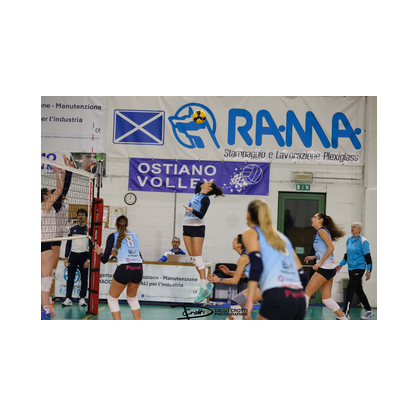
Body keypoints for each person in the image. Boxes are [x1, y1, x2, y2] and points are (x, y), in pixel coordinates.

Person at [243, 200, 307, 320]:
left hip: (277, 295)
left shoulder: (251, 232)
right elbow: (302, 275)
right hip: (299, 298)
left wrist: (250, 301)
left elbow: (256, 266)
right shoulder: (283, 238)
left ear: (248, 215)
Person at [94, 215, 143, 320]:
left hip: (125, 268)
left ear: (115, 224)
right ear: (127, 225)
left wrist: (99, 253)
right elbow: (138, 255)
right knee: (132, 298)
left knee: (112, 299)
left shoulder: (112, 236)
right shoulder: (134, 235)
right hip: (138, 268)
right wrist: (117, 254)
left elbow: (104, 259)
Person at [182, 181, 224, 303]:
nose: (204, 182)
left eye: (208, 182)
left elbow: (201, 215)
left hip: (197, 228)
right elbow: (199, 183)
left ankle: (204, 288)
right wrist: (214, 189)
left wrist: (192, 210)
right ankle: (206, 283)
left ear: (209, 188)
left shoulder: (205, 199)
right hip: (186, 227)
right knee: (193, 259)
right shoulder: (197, 193)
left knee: (197, 258)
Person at [303, 213, 348, 319]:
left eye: (315, 217)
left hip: (325, 268)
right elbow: (324, 250)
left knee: (306, 294)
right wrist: (314, 257)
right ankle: (344, 318)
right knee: (327, 299)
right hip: (329, 268)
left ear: (321, 220)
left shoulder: (322, 231)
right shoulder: (320, 232)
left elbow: (331, 248)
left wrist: (319, 263)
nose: (312, 218)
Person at [208, 234, 261, 320]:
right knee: (235, 309)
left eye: (234, 240)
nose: (232, 242)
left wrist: (218, 280)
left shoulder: (244, 258)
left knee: (235, 301)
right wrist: (229, 272)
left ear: (239, 244)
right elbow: (244, 275)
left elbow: (235, 281)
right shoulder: (246, 255)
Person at [41, 165, 66, 320]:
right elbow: (60, 190)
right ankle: (45, 310)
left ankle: (46, 309)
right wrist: (57, 174)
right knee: (46, 279)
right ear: (46, 197)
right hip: (45, 245)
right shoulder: (46, 206)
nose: (52, 195)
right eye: (49, 194)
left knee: (45, 279)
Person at [336, 222, 375, 320]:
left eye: (355, 227)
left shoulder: (363, 241)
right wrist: (341, 264)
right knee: (358, 290)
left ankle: (345, 314)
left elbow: (368, 257)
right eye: (351, 226)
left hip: (359, 268)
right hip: (351, 268)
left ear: (359, 229)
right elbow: (347, 255)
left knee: (350, 289)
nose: (352, 228)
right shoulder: (349, 240)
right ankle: (369, 310)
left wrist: (369, 270)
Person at [63, 209, 91, 306]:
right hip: (73, 255)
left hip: (84, 256)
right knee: (70, 278)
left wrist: (88, 259)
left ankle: (82, 298)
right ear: (77, 217)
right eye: (79, 215)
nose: (81, 216)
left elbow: (91, 246)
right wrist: (66, 257)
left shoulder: (89, 230)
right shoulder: (72, 229)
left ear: (86, 217)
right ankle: (68, 298)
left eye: (83, 215)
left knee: (84, 278)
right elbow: (68, 244)